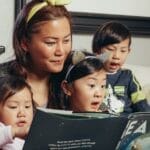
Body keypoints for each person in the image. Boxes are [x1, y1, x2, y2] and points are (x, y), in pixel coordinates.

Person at [1, 0, 72, 108]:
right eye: (50, 43)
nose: (61, 51)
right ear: (24, 43)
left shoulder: (73, 78)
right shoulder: (2, 80)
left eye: (66, 40)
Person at [92, 21, 150, 114]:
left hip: (127, 121)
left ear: (128, 51)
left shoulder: (128, 76)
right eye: (110, 50)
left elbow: (140, 100)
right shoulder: (92, 75)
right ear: (98, 50)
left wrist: (146, 116)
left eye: (123, 51)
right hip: (103, 120)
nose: (116, 56)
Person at [0, 75, 35, 150]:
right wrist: (14, 131)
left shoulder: (35, 131)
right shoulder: (3, 130)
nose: (22, 113)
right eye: (13, 107)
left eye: (27, 106)